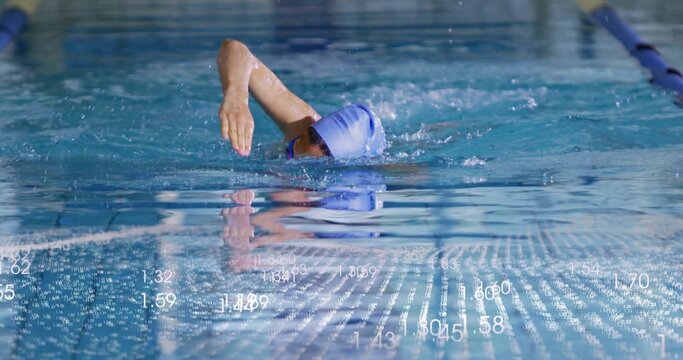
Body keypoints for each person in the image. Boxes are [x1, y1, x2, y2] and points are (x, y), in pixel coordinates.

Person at [216, 39, 385, 159]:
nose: (291, 156)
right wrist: (237, 95)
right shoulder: (304, 123)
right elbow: (233, 48)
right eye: (293, 147)